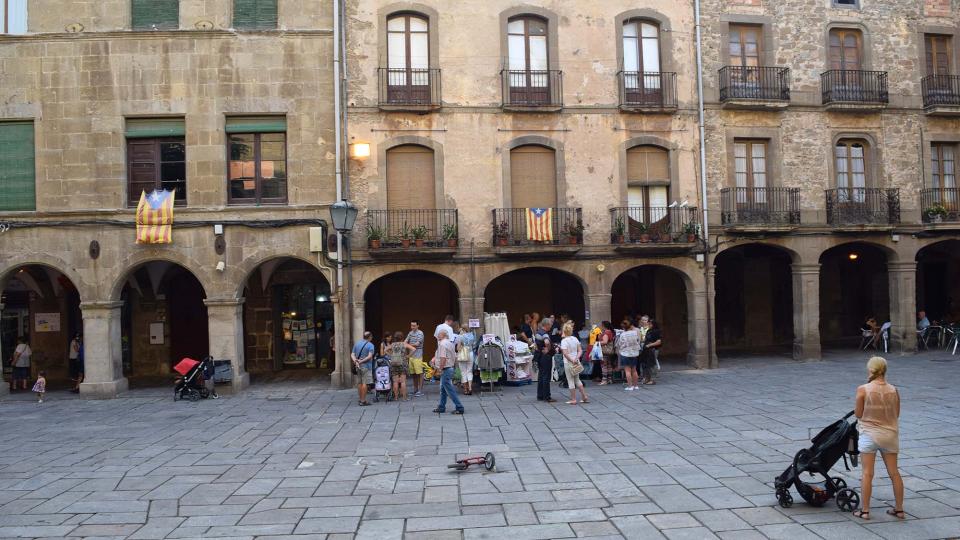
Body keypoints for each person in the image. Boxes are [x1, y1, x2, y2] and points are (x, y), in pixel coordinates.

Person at [853, 356, 905, 521]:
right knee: (894, 473)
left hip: (869, 435)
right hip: (890, 435)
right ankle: (899, 510)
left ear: (871, 370)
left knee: (867, 473)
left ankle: (865, 511)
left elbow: (858, 414)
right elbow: (896, 414)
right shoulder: (893, 390)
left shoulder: (863, 389)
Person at [432, 329, 464, 414]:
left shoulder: (442, 344)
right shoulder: (450, 343)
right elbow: (453, 355)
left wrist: (440, 369)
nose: (437, 336)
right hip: (450, 367)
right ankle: (441, 407)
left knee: (450, 390)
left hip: (446, 368)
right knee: (443, 389)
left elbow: (443, 358)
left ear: (444, 335)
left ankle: (459, 407)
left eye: (439, 334)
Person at [560, 322, 589, 405]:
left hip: (568, 362)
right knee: (577, 379)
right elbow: (580, 350)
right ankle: (584, 396)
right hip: (576, 362)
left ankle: (573, 399)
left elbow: (565, 354)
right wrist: (576, 358)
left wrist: (571, 360)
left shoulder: (564, 341)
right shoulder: (575, 338)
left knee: (570, 380)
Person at [387, 331, 415, 401]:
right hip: (403, 363)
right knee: (403, 381)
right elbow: (414, 349)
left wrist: (391, 355)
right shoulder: (404, 344)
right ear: (402, 337)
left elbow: (385, 350)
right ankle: (404, 398)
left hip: (394, 364)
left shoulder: (392, 344)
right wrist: (408, 356)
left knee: (395, 382)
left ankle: (396, 397)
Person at [351, 331, 375, 406]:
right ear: (370, 337)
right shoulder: (370, 345)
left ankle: (360, 399)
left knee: (359, 383)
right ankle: (363, 400)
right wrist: (361, 361)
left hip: (357, 366)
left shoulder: (357, 343)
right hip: (366, 366)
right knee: (365, 383)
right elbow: (369, 356)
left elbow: (352, 354)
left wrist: (355, 361)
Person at [617, 318, 642, 391]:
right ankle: (636, 385)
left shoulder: (623, 334)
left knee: (627, 371)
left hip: (625, 353)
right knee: (634, 370)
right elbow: (638, 341)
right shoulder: (635, 332)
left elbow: (620, 344)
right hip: (634, 353)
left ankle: (630, 386)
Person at [534, 319, 555, 402]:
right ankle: (547, 396)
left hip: (539, 356)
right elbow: (546, 342)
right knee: (546, 376)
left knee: (541, 376)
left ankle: (540, 395)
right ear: (547, 325)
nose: (551, 327)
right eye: (550, 325)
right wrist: (549, 349)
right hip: (545, 357)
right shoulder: (544, 334)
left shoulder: (538, 332)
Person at [405, 320, 426, 397]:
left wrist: (408, 344)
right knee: (413, 374)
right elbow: (405, 341)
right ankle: (415, 390)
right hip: (411, 356)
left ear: (418, 326)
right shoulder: (410, 333)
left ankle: (420, 390)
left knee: (420, 373)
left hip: (418, 355)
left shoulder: (420, 333)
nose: (412, 327)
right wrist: (406, 344)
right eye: (411, 325)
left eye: (414, 325)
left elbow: (417, 344)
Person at [641, 318, 662, 385]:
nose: (648, 324)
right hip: (647, 350)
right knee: (646, 365)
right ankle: (647, 379)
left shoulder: (656, 331)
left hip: (652, 350)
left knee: (651, 364)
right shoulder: (649, 330)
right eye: (648, 323)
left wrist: (649, 345)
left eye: (650, 323)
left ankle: (651, 379)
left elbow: (659, 342)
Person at [456, 326, 476, 395]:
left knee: (463, 372)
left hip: (462, 355)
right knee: (469, 371)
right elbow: (474, 345)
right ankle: (470, 388)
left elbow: (458, 348)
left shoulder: (460, 337)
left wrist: (461, 346)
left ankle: (465, 390)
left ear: (463, 329)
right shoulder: (472, 336)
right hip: (470, 354)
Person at [598, 321, 616, 385]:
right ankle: (609, 379)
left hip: (605, 351)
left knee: (604, 365)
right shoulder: (610, 332)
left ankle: (604, 380)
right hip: (609, 351)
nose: (600, 326)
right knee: (609, 365)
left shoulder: (606, 332)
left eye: (601, 325)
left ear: (604, 326)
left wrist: (597, 343)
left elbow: (605, 341)